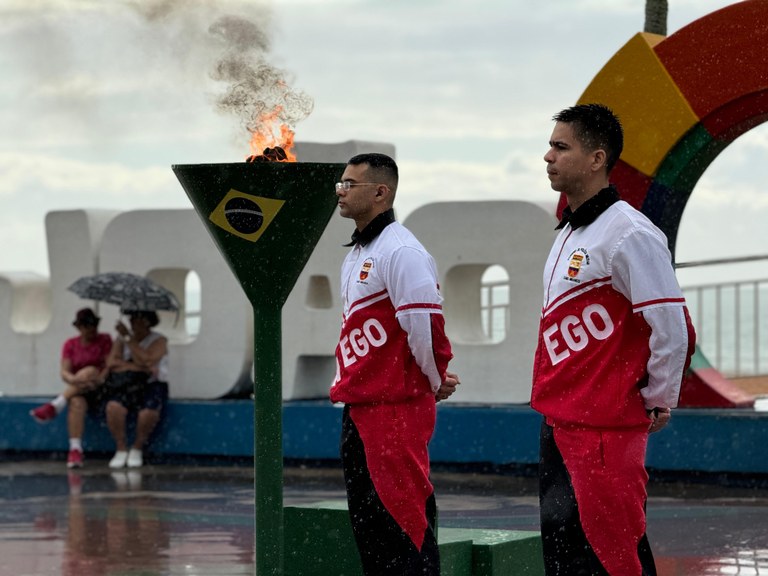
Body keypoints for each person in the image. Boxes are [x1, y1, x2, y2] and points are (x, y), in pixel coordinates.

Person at [531, 103, 696, 575]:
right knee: (565, 562)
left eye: (561, 147)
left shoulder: (630, 233)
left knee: (614, 558)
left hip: (606, 428)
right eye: (550, 146)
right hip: (558, 423)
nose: (548, 157)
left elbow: (672, 326)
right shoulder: (568, 230)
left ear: (597, 158)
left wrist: (657, 399)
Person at [330, 152, 460, 575]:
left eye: (351, 184)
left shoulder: (402, 251)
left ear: (381, 192)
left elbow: (425, 327)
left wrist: (434, 378)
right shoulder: (356, 255)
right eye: (341, 183)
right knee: (371, 532)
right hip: (361, 409)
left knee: (404, 525)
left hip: (394, 412)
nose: (341, 192)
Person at [30, 308, 112, 469]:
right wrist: (75, 379)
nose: (91, 330)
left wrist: (98, 378)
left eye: (93, 325)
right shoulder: (71, 344)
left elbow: (108, 366)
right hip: (80, 389)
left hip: (101, 386)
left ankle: (57, 404)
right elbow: (64, 372)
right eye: (87, 326)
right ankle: (75, 449)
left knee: (90, 370)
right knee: (76, 403)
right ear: (79, 327)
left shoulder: (105, 340)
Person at [104, 310, 169, 469]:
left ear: (147, 321)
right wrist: (136, 367)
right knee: (114, 407)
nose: (132, 322)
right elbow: (112, 363)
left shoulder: (159, 340)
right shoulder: (121, 340)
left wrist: (129, 339)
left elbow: (147, 360)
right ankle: (121, 447)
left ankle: (137, 447)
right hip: (128, 383)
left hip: (151, 383)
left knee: (148, 411)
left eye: (136, 319)